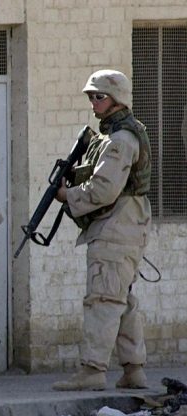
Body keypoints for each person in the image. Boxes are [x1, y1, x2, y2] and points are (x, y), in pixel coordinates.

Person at [52, 69, 151, 391]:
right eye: (91, 97)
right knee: (122, 300)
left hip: (116, 227)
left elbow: (105, 190)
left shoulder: (120, 140)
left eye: (99, 97)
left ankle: (93, 371)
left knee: (103, 300)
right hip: (123, 225)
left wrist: (68, 196)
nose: (93, 103)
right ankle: (133, 370)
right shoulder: (117, 135)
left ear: (117, 100)